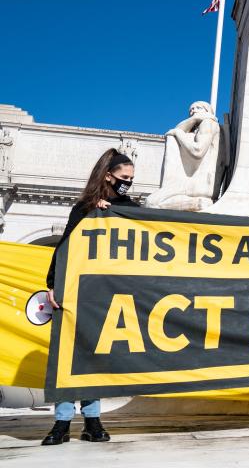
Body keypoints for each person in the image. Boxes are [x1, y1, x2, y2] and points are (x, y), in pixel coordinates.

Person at [42, 149, 139, 446]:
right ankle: (62, 422)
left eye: (132, 179)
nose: (128, 183)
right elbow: (65, 246)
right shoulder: (84, 207)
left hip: (109, 292)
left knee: (94, 355)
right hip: (78, 289)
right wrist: (52, 283)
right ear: (108, 175)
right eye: (124, 178)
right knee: (70, 354)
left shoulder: (129, 208)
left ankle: (93, 420)